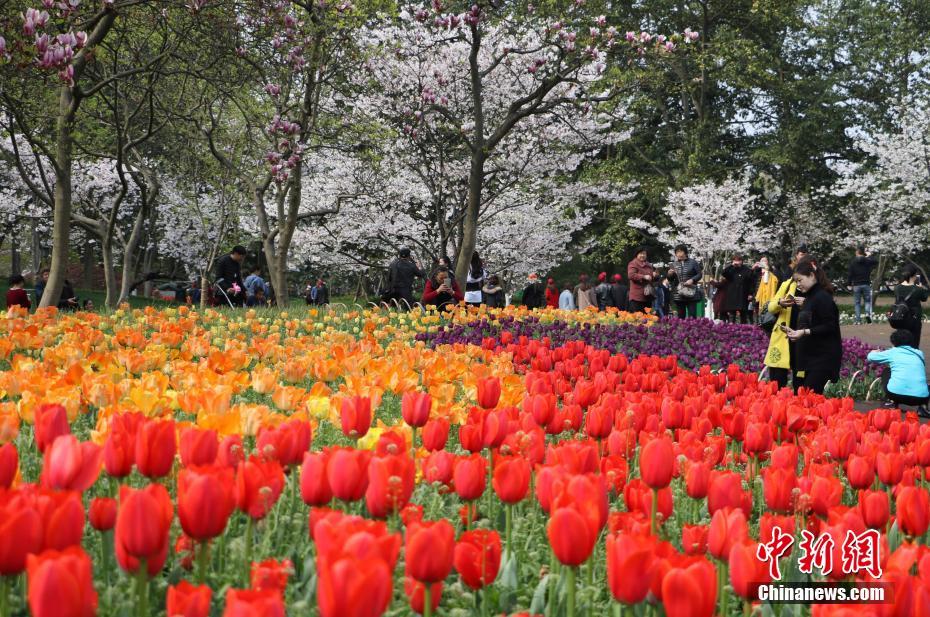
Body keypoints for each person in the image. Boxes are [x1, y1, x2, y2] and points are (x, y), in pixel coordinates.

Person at [785, 257, 842, 394]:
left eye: (800, 280)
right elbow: (811, 323)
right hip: (808, 358)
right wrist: (795, 333)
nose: (798, 285)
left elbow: (830, 326)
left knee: (810, 399)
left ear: (811, 276)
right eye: (796, 282)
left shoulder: (822, 298)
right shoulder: (809, 298)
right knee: (803, 399)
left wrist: (804, 332)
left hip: (821, 358)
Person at [867, 330, 929, 417]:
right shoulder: (919, 353)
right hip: (920, 398)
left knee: (887, 371)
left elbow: (870, 357)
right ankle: (923, 408)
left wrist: (874, 352)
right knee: (919, 378)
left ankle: (891, 402)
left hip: (896, 394)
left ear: (894, 342)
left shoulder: (893, 352)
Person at [765, 270, 800, 390]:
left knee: (800, 379)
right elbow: (771, 306)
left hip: (801, 335)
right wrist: (780, 303)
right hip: (782, 335)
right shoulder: (787, 284)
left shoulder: (815, 288)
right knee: (777, 379)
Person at [894, 265, 928, 348]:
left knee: (901, 341)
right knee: (914, 342)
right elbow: (924, 298)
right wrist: (922, 288)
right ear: (914, 275)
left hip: (900, 317)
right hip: (914, 318)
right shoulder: (918, 289)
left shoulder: (897, 288)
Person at [668, 245, 702, 318]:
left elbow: (699, 274)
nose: (679, 254)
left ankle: (693, 329)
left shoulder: (693, 262)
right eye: (677, 252)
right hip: (679, 294)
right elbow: (670, 280)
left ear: (685, 252)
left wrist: (692, 280)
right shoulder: (674, 264)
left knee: (692, 315)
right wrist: (670, 274)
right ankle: (681, 329)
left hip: (691, 292)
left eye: (681, 251)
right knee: (680, 316)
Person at [721, 254, 755, 324]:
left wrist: (750, 293)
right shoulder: (730, 270)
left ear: (741, 261)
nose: (736, 262)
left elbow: (751, 282)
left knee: (743, 315)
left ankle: (743, 330)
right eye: (735, 260)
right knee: (732, 315)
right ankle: (731, 329)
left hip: (743, 294)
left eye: (738, 260)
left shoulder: (746, 270)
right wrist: (731, 265)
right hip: (732, 295)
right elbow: (724, 273)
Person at [848, 247, 878, 324]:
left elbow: (850, 274)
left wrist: (849, 284)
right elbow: (876, 261)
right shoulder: (867, 261)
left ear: (858, 252)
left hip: (856, 285)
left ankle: (858, 320)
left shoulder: (853, 262)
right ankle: (867, 313)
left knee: (857, 303)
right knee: (867, 301)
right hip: (866, 284)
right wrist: (869, 255)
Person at [627, 248, 655, 313]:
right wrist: (643, 276)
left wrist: (655, 276)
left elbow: (651, 279)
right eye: (640, 253)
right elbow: (631, 275)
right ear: (636, 255)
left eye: (644, 254)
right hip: (637, 297)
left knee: (648, 319)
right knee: (637, 320)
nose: (642, 255)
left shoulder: (649, 265)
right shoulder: (633, 263)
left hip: (648, 296)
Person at [753, 256, 779, 321]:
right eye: (762, 261)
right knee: (757, 313)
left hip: (768, 296)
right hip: (757, 296)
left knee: (766, 314)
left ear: (768, 262)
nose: (763, 262)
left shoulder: (772, 272)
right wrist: (753, 268)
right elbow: (751, 282)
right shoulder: (756, 272)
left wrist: (767, 270)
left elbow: (775, 281)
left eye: (765, 261)